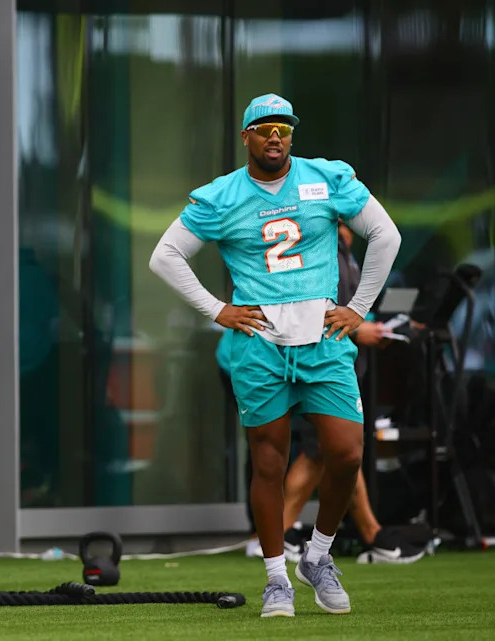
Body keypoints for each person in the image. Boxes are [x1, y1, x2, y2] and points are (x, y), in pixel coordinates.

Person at [149, 93, 401, 618]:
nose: (274, 136)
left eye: (283, 127)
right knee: (269, 463)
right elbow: (165, 256)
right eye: (263, 128)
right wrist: (216, 309)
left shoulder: (326, 178)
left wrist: (358, 308)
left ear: (292, 134)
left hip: (325, 339)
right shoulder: (221, 195)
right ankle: (275, 579)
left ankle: (319, 556)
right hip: (259, 343)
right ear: (246, 137)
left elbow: (386, 234)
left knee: (347, 452)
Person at [217, 223, 425, 565]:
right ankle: (271, 537)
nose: (351, 225)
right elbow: (316, 309)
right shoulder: (320, 242)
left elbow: (333, 305)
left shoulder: (344, 251)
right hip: (263, 357)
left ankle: (368, 534)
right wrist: (363, 327)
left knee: (341, 448)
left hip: (298, 356)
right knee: (305, 451)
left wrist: (377, 322)